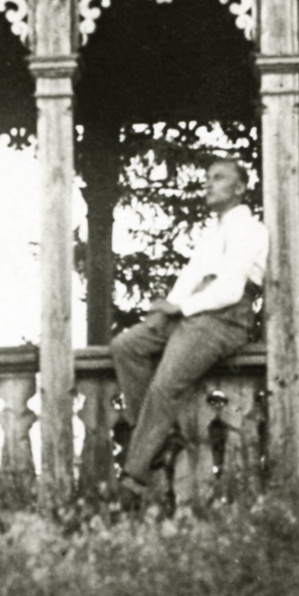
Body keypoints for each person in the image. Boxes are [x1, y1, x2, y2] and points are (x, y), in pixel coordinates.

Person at [110, 157, 268, 497]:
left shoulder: (250, 229)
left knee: (165, 386)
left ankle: (133, 477)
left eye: (219, 178)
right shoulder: (213, 232)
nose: (209, 183)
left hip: (224, 318)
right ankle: (160, 441)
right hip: (192, 313)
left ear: (239, 188)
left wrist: (181, 307)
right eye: (208, 177)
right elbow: (190, 279)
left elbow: (229, 291)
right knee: (127, 346)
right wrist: (166, 312)